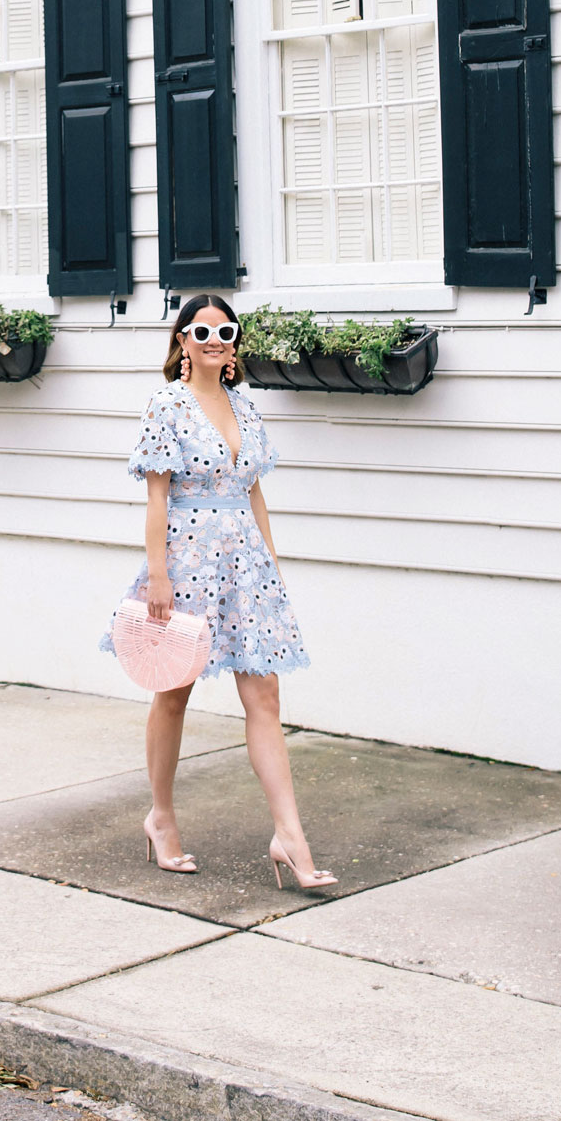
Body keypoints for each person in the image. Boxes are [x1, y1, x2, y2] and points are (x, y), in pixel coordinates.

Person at [100, 293, 336, 890]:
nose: (213, 340)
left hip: (245, 568)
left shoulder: (245, 406)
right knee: (173, 691)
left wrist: (272, 566)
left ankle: (290, 836)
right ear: (182, 340)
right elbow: (157, 496)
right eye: (200, 331)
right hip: (185, 562)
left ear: (235, 343)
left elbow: (254, 491)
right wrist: (158, 576)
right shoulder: (167, 404)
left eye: (225, 331)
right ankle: (161, 816)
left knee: (265, 699)